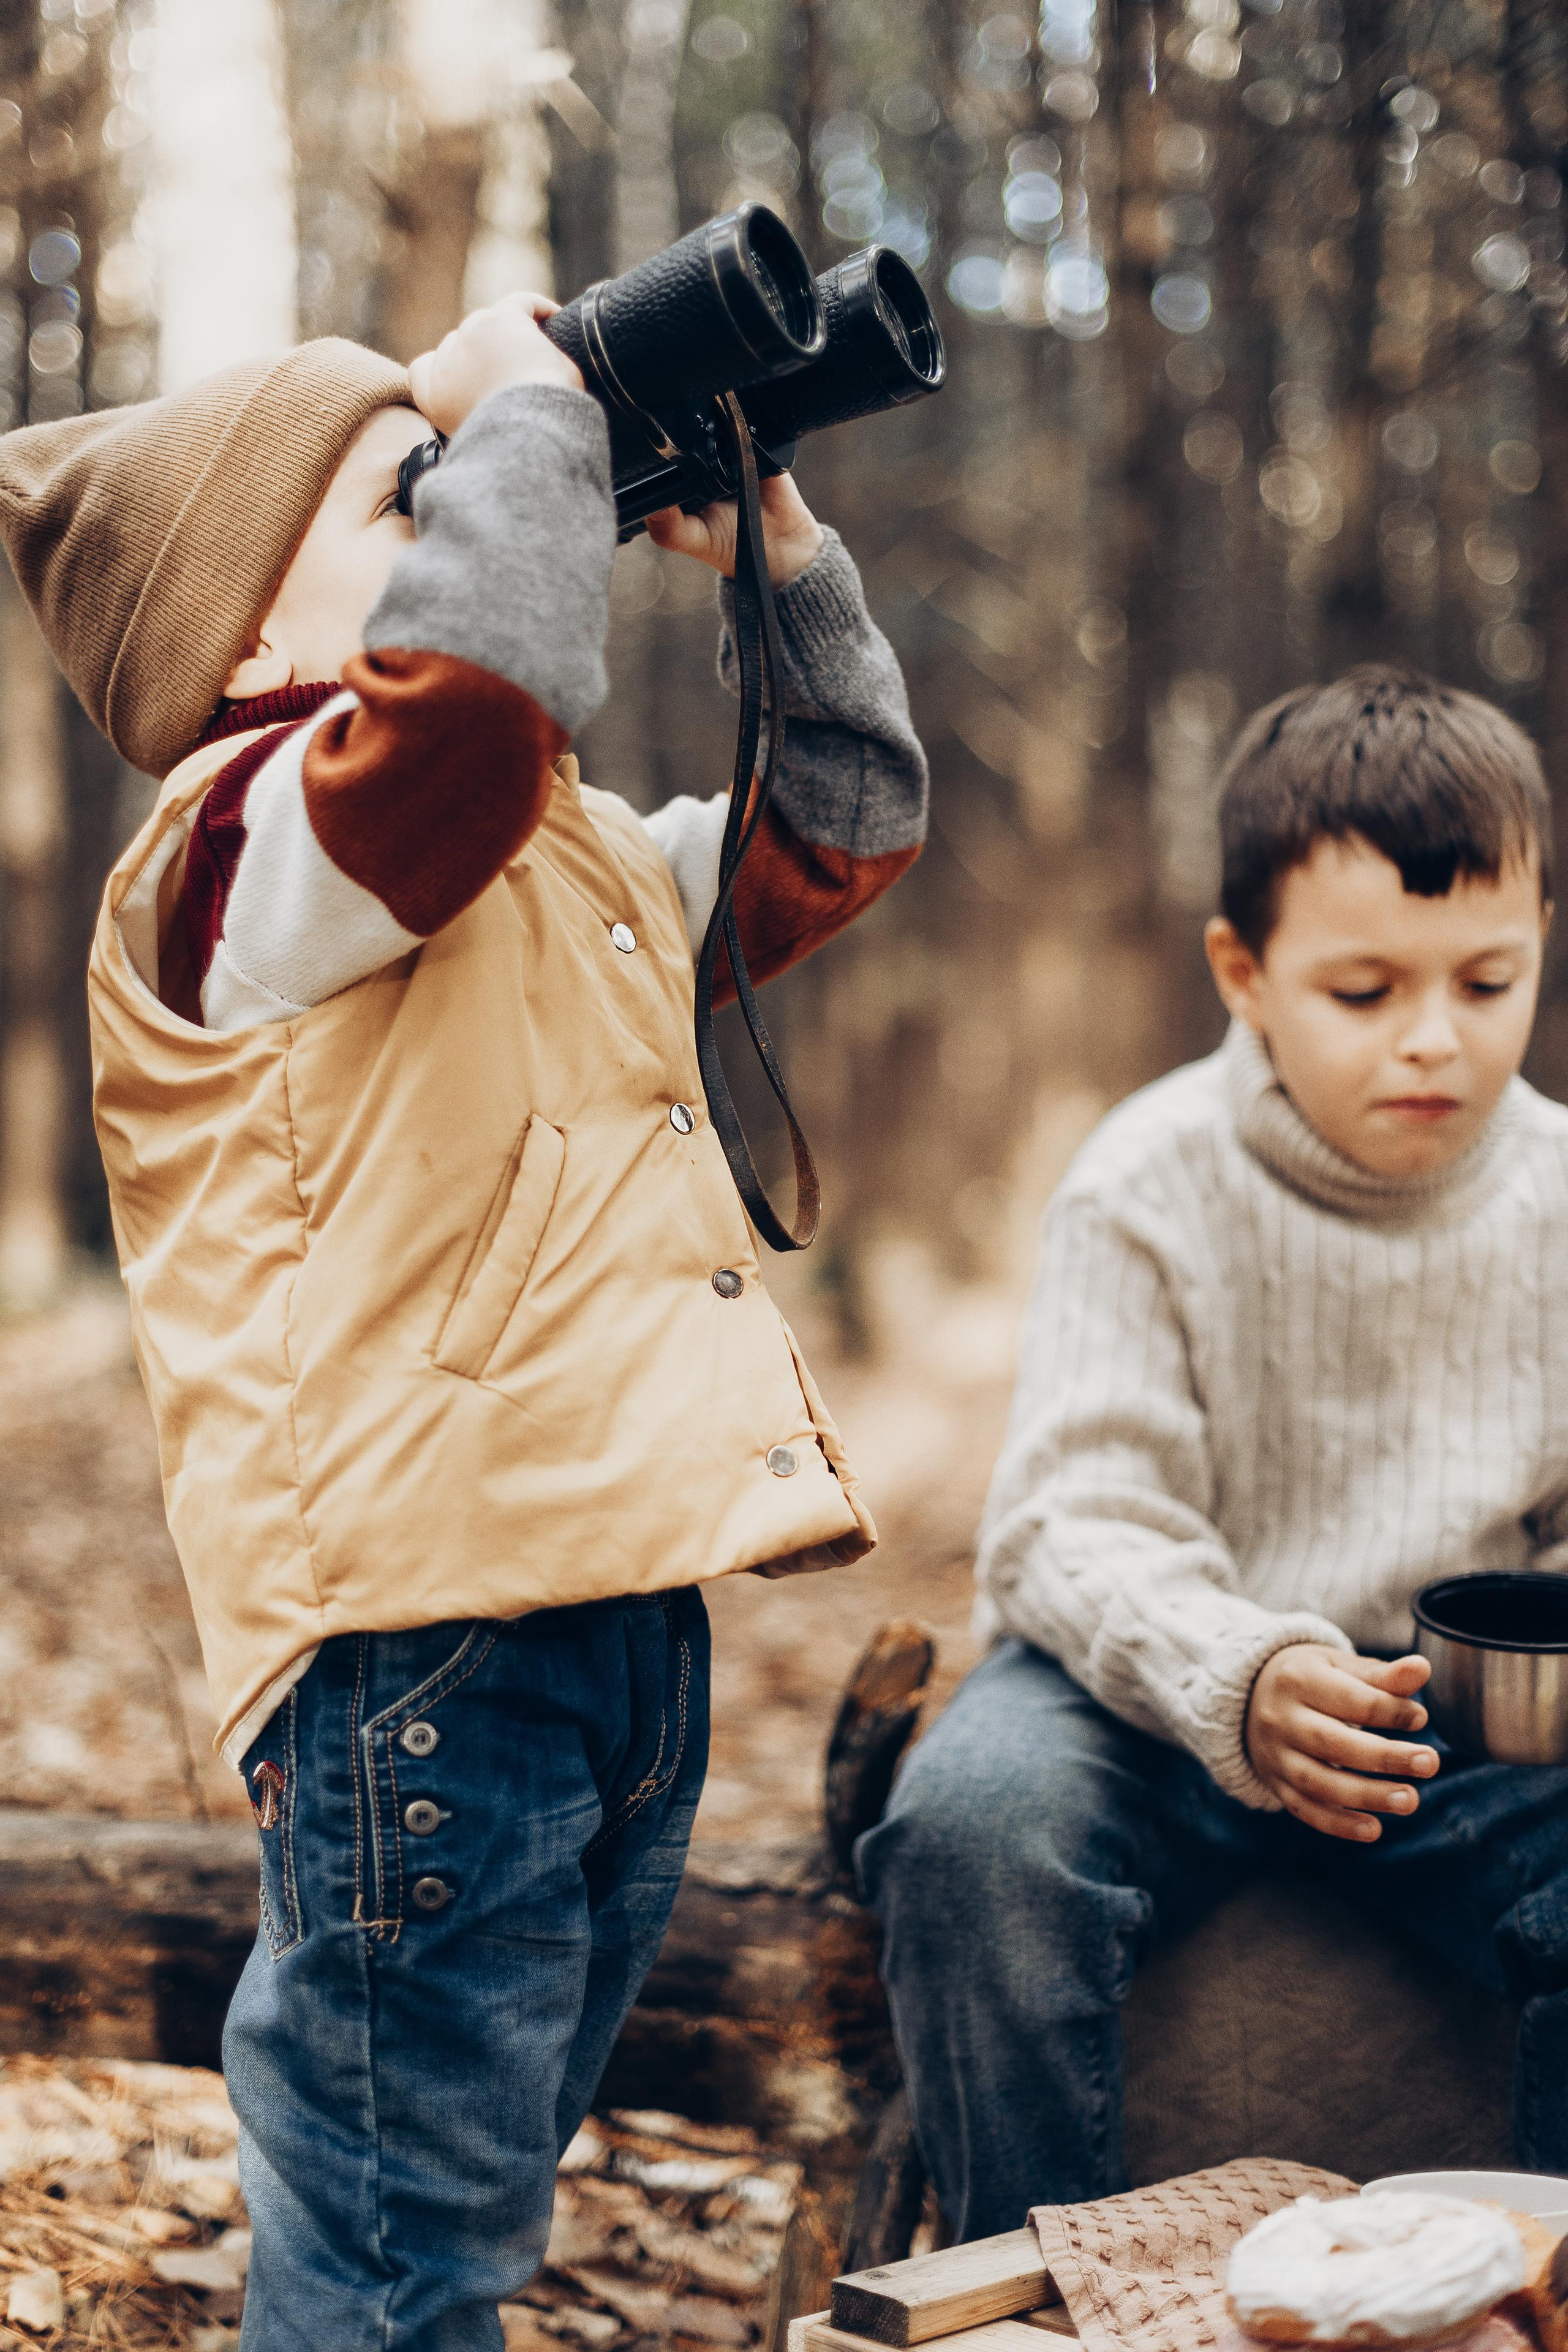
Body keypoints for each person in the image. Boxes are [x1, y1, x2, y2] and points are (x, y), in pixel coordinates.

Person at [0, 295, 927, 2348]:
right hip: (421, 1641)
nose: (477, 504)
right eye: (401, 497)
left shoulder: (550, 853)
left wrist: (782, 551)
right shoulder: (243, 846)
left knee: (465, 2196)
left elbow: (839, 829)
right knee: (405, 2244)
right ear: (245, 641)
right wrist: (516, 398)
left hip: (605, 1616)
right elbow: (477, 704)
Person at [858, 664, 1568, 2241]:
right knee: (968, 1834)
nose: (1433, 1043)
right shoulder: (1147, 1183)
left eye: (1486, 981)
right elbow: (1070, 1524)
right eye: (1364, 992)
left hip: (1450, 1719)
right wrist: (1238, 1672)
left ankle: (1528, 2285)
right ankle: (1013, 2302)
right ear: (1241, 972)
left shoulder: (1557, 1201)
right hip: (1158, 1681)